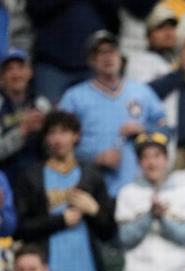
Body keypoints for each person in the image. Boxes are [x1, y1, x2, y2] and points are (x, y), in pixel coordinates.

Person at [13, 110, 114, 271]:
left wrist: (94, 210)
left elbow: (109, 231)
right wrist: (60, 220)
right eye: (52, 133)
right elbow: (20, 228)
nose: (57, 139)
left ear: (76, 136)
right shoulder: (32, 176)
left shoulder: (91, 175)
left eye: (64, 132)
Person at [59, 31, 167, 198]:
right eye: (100, 53)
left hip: (139, 189)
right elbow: (57, 144)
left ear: (120, 56)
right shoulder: (74, 97)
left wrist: (144, 129)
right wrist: (95, 158)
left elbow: (167, 130)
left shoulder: (141, 92)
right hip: (92, 190)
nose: (107, 57)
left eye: (112, 51)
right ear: (91, 61)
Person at [116, 132, 185, 271]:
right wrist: (149, 215)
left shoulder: (182, 193)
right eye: (145, 157)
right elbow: (126, 238)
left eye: (157, 156)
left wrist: (163, 219)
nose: (152, 162)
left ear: (166, 159)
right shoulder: (128, 193)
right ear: (139, 162)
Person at [124, 5, 185, 153]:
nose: (168, 33)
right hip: (165, 147)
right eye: (161, 28)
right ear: (149, 35)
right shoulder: (140, 61)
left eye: (171, 27)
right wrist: (180, 73)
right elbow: (143, 98)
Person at [0, 49, 51, 184]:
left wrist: (46, 132)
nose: (16, 74)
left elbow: (54, 151)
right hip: (4, 180)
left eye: (20, 68)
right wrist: (22, 131)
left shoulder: (42, 105)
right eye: (9, 69)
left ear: (30, 72)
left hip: (38, 180)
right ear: (2, 77)